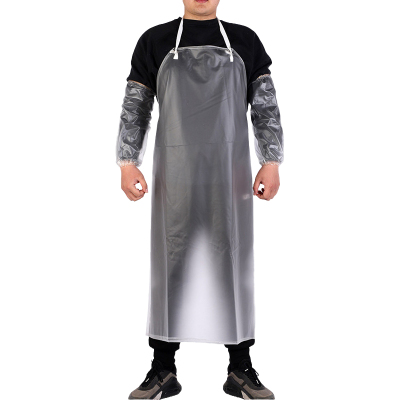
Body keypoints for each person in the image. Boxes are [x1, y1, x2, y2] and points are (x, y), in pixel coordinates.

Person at [116, 1, 283, 398]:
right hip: (175, 173)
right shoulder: (155, 41)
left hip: (230, 172)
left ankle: (240, 367)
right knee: (171, 262)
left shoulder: (244, 41)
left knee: (233, 263)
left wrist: (271, 160)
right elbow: (135, 106)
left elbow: (265, 107)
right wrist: (127, 161)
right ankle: (163, 368)